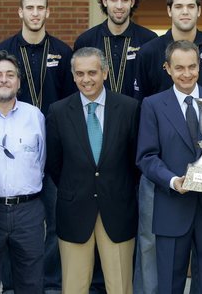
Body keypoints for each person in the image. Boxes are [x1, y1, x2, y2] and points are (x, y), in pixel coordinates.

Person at [133, 0, 202, 294]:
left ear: (200, 67)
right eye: (179, 68)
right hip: (171, 206)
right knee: (168, 285)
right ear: (167, 69)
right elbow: (146, 157)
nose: (186, 73)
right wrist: (172, 181)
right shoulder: (153, 105)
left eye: (192, 67)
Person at [0, 0, 75, 292]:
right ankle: (11, 283)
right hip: (13, 152)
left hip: (53, 150)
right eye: (30, 8)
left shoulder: (63, 52)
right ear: (20, 12)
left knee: (54, 221)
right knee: (10, 224)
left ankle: (50, 281)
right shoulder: (5, 50)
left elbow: (70, 103)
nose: (35, 13)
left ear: (48, 12)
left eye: (41, 8)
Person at [45, 47, 139, 294]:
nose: (86, 79)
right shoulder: (58, 112)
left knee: (120, 286)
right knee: (74, 287)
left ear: (105, 73)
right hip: (74, 210)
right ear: (73, 76)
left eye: (92, 72)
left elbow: (135, 162)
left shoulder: (129, 109)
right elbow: (54, 163)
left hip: (118, 210)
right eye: (79, 74)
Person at [0, 50, 46, 294]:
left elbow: (41, 160)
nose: (3, 79)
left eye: (10, 75)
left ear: (18, 81)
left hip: (28, 211)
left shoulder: (35, 116)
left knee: (31, 280)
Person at [74, 0, 157, 97]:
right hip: (98, 114)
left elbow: (154, 84)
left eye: (125, 0)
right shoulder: (86, 41)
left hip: (138, 114)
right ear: (104, 1)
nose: (119, 6)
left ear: (132, 2)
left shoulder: (149, 39)